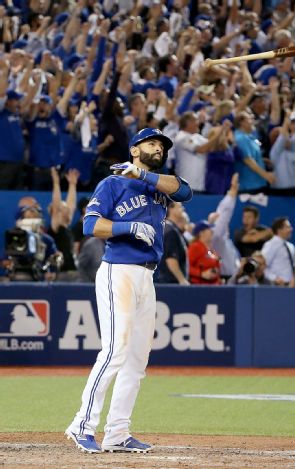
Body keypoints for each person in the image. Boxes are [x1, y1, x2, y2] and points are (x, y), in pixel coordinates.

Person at [65, 127, 192, 453]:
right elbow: (90, 225)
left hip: (147, 278)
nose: (158, 149)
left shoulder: (158, 186)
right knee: (115, 350)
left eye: (162, 146)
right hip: (117, 271)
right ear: (135, 148)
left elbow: (185, 191)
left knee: (137, 360)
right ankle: (82, 425)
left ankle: (118, 432)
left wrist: (144, 175)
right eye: (152, 143)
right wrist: (126, 227)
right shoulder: (113, 183)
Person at [207, 173, 241, 279]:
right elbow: (224, 213)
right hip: (224, 277)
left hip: (232, 277)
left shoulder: (224, 240)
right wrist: (233, 191)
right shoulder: (217, 238)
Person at [262, 217, 295, 285]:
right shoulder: (270, 245)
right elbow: (262, 266)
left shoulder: (290, 246)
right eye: (288, 227)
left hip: (291, 285)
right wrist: (274, 278)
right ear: (279, 230)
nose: (291, 229)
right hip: (277, 286)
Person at [157, 202, 189, 284]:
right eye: (180, 207)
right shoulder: (170, 230)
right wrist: (182, 280)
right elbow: (171, 259)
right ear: (171, 209)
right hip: (171, 282)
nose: (183, 209)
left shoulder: (171, 228)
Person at [188, 220, 221, 285]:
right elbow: (187, 267)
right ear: (201, 233)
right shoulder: (195, 247)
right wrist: (201, 273)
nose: (212, 231)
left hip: (213, 286)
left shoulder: (211, 249)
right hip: (199, 287)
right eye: (209, 229)